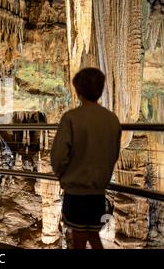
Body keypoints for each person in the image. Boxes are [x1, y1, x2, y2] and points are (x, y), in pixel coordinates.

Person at [51, 68, 121, 249]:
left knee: (79, 237)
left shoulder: (71, 118)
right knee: (92, 233)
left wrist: (63, 177)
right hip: (98, 192)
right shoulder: (112, 120)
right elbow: (113, 154)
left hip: (76, 191)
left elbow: (58, 156)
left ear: (78, 91)